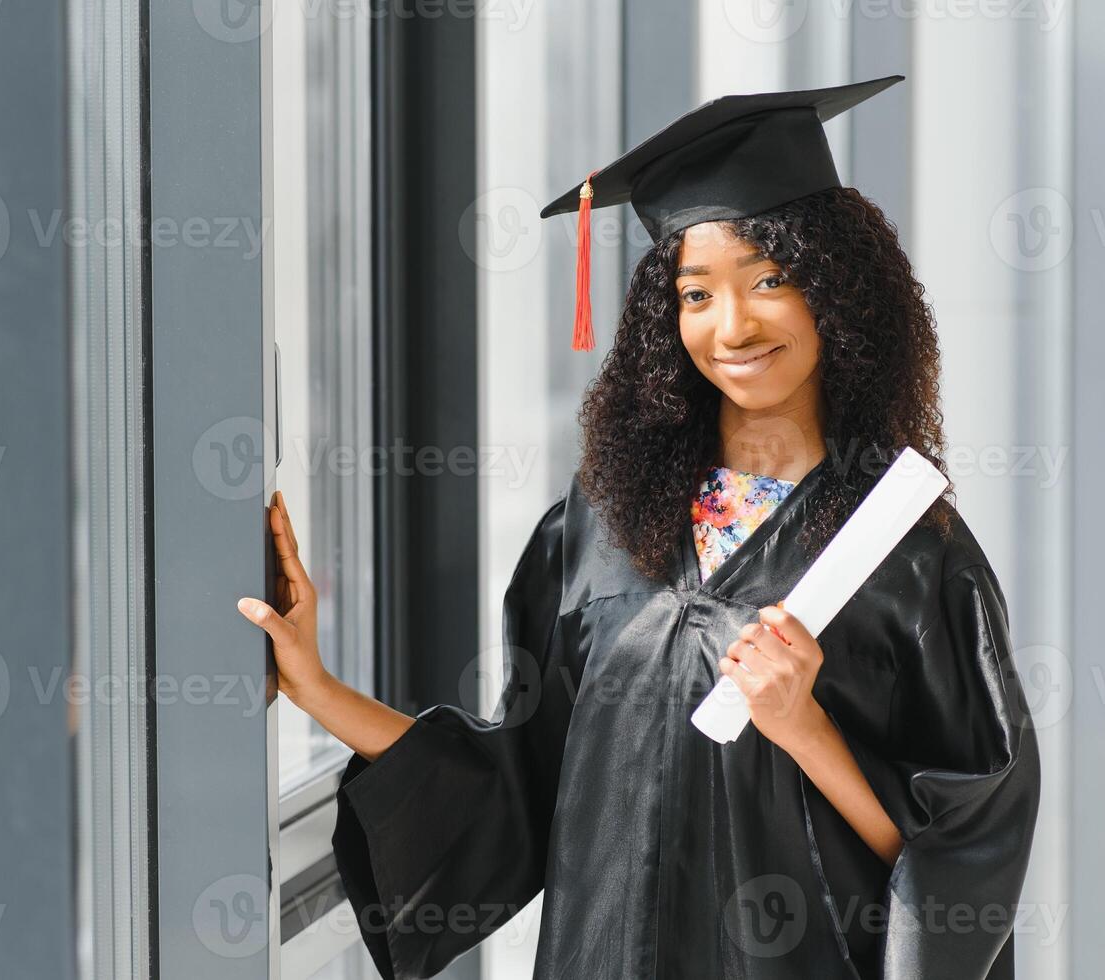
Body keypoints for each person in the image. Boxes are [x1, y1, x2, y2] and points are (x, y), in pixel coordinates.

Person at [237, 75, 1040, 980]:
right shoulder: (602, 527)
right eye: (697, 295)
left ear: (840, 293)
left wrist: (805, 727)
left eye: (769, 278)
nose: (732, 324)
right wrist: (315, 688)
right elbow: (520, 793)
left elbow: (961, 860)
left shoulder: (909, 555)